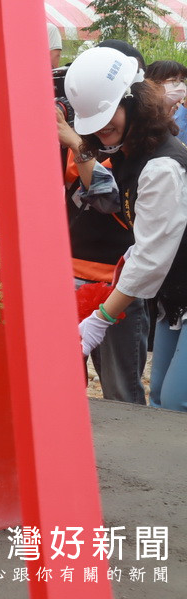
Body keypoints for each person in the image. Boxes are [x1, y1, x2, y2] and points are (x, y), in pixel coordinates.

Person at [67, 47, 187, 411]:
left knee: (175, 400)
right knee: (158, 400)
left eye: (109, 116)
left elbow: (150, 257)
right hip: (174, 299)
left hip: (176, 284)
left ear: (133, 103)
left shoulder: (162, 166)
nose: (103, 129)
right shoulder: (126, 153)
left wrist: (100, 319)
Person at [56, 53, 147, 405]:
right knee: (62, 383)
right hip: (65, 275)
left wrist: (73, 141)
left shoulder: (135, 151)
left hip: (114, 284)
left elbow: (109, 199)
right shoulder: (83, 133)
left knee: (120, 390)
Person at [144, 60, 187, 137]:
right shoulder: (141, 116)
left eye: (182, 80)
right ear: (154, 83)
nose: (180, 85)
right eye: (173, 80)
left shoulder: (177, 114)